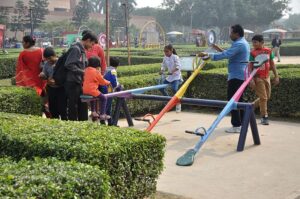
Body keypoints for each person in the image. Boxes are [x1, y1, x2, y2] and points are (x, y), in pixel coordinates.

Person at [199, 24, 250, 133]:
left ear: (236, 33)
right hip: (240, 75)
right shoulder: (241, 42)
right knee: (239, 100)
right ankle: (243, 124)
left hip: (237, 76)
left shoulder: (239, 44)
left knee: (233, 101)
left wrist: (209, 55)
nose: (229, 35)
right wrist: (218, 49)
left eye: (231, 32)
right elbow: (230, 54)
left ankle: (237, 126)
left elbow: (227, 54)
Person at [64, 31, 98, 121]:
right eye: (92, 44)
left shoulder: (82, 50)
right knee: (73, 106)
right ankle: (73, 125)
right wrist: (83, 72)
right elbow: (69, 64)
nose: (92, 46)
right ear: (87, 40)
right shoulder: (76, 49)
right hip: (72, 82)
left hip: (78, 82)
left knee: (82, 105)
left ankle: (83, 125)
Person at [249, 35, 280, 125]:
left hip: (267, 77)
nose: (253, 44)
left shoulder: (268, 51)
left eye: (255, 42)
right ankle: (264, 117)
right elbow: (250, 67)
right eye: (253, 42)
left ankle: (249, 107)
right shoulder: (252, 53)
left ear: (262, 42)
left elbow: (272, 64)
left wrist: (276, 76)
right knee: (263, 97)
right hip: (258, 78)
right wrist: (251, 79)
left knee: (267, 97)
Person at [39, 47, 67, 120]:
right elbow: (44, 73)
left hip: (61, 89)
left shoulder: (61, 62)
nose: (49, 61)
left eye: (50, 58)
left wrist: (57, 81)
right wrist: (43, 75)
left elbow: (66, 75)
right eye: (47, 59)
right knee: (53, 109)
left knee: (62, 109)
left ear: (54, 55)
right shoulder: (46, 64)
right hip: (51, 89)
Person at [159, 44, 183, 113]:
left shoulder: (175, 57)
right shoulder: (165, 57)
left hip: (176, 77)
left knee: (175, 89)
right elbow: (163, 65)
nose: (165, 53)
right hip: (169, 77)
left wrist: (173, 71)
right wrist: (162, 70)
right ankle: (169, 101)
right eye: (164, 51)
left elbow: (179, 66)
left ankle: (178, 104)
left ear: (171, 51)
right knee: (161, 88)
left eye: (167, 51)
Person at [101, 56, 121, 125]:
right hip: (108, 90)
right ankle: (103, 121)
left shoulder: (106, 69)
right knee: (108, 106)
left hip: (103, 89)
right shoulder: (113, 71)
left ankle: (110, 122)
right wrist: (119, 86)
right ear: (118, 64)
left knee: (106, 105)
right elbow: (114, 82)